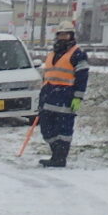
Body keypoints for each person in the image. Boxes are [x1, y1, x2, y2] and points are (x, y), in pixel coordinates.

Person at [37, 22, 89, 168]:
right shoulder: (52, 54)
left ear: (71, 36)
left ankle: (60, 158)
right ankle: (56, 154)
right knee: (47, 130)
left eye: (66, 34)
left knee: (63, 131)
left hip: (66, 100)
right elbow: (47, 76)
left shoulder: (78, 54)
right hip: (49, 98)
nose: (62, 38)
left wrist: (78, 97)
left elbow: (82, 77)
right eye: (60, 34)